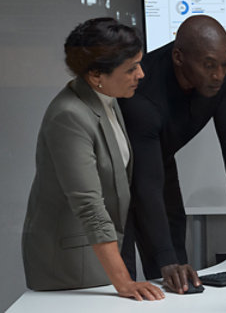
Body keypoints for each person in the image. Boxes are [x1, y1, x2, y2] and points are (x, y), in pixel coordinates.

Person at [22, 17, 164, 301]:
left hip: (96, 256)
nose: (141, 74)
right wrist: (125, 281)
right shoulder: (69, 116)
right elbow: (89, 205)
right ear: (96, 75)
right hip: (72, 265)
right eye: (132, 68)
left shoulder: (105, 98)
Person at [118, 15, 226, 293]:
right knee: (126, 274)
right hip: (118, 174)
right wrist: (166, 260)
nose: (218, 75)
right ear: (179, 57)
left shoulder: (223, 74)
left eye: (224, 64)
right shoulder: (143, 92)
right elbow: (145, 184)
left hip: (161, 160)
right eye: (208, 65)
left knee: (179, 272)